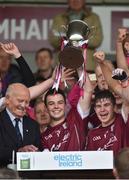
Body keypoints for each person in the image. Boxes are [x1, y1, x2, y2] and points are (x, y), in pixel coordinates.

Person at [41, 72, 93, 151]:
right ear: (46, 108)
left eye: (60, 103)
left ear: (65, 104)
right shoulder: (43, 137)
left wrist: (79, 66)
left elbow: (88, 90)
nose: (56, 106)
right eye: (51, 103)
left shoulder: (76, 118)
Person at [49, 0, 103, 71]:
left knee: (87, 81)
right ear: (68, 1)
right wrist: (65, 39)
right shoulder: (59, 18)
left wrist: (83, 39)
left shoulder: (93, 17)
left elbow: (98, 40)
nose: (75, 1)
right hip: (64, 63)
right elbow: (52, 39)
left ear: (84, 1)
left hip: (87, 64)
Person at [0, 83, 42, 168]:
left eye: (27, 102)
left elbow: (39, 152)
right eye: (20, 101)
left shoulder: (33, 125)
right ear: (7, 99)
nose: (23, 105)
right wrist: (19, 152)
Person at [85, 90, 128, 156]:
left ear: (114, 107)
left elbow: (127, 97)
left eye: (106, 105)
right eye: (99, 106)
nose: (102, 109)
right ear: (95, 109)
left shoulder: (123, 121)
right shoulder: (92, 134)